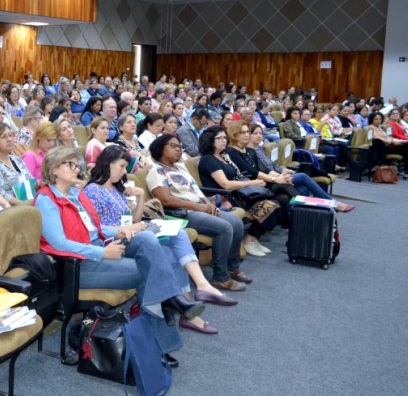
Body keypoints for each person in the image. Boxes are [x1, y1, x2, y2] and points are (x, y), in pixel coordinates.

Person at [34, 146, 197, 358]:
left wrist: (123, 230)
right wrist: (102, 253)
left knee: (146, 238)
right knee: (150, 271)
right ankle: (167, 316)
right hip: (77, 266)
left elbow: (96, 229)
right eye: (71, 165)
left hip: (99, 251)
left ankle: (167, 309)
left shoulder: (75, 194)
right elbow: (60, 244)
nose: (77, 169)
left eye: (78, 164)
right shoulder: (46, 200)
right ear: (54, 169)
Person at [85, 145, 230, 333]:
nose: (124, 172)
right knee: (161, 243)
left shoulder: (117, 189)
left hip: (134, 233)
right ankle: (183, 304)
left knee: (175, 243)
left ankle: (191, 301)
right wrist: (127, 228)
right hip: (114, 241)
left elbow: (135, 220)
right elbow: (95, 228)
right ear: (108, 163)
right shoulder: (92, 191)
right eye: (121, 167)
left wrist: (140, 196)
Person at [147, 134, 250, 293]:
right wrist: (198, 207)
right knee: (225, 227)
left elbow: (196, 190)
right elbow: (166, 200)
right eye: (173, 145)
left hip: (197, 207)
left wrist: (208, 204)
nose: (178, 149)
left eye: (179, 146)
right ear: (160, 148)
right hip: (180, 214)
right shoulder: (156, 171)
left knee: (236, 222)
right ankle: (220, 277)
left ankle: (232, 267)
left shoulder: (180, 167)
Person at [198, 126, 279, 258]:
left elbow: (237, 176)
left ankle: (252, 239)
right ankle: (249, 240)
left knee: (272, 202)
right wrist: (252, 183)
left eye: (225, 137)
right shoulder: (208, 159)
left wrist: (253, 183)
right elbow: (225, 184)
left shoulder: (223, 155)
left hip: (236, 193)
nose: (224, 140)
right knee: (269, 204)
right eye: (219, 138)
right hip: (223, 197)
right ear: (210, 140)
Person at [248, 124, 354, 212]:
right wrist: (280, 176)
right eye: (255, 133)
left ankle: (297, 217)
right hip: (269, 180)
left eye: (261, 133)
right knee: (303, 177)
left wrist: (285, 170)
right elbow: (262, 170)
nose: (259, 136)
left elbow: (272, 165)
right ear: (249, 135)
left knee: (302, 188)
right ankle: (333, 203)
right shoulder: (250, 151)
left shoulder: (260, 148)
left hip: (276, 176)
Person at [0, 123, 35, 206]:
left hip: (29, 204)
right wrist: (24, 205)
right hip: (9, 210)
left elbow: (31, 181)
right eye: (4, 137)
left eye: (10, 135)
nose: (9, 139)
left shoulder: (16, 159)